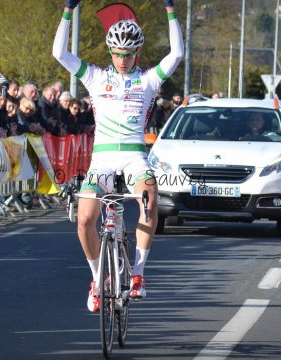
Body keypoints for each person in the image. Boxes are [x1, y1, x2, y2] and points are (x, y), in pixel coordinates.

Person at [53, 0, 184, 311]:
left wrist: (170, 8)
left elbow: (177, 53)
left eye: (128, 54)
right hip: (102, 160)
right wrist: (68, 10)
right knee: (85, 219)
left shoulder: (149, 80)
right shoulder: (95, 77)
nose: (122, 60)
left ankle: (137, 273)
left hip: (135, 158)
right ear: (109, 51)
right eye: (116, 54)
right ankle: (98, 279)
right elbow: (59, 53)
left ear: (136, 52)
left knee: (149, 200)